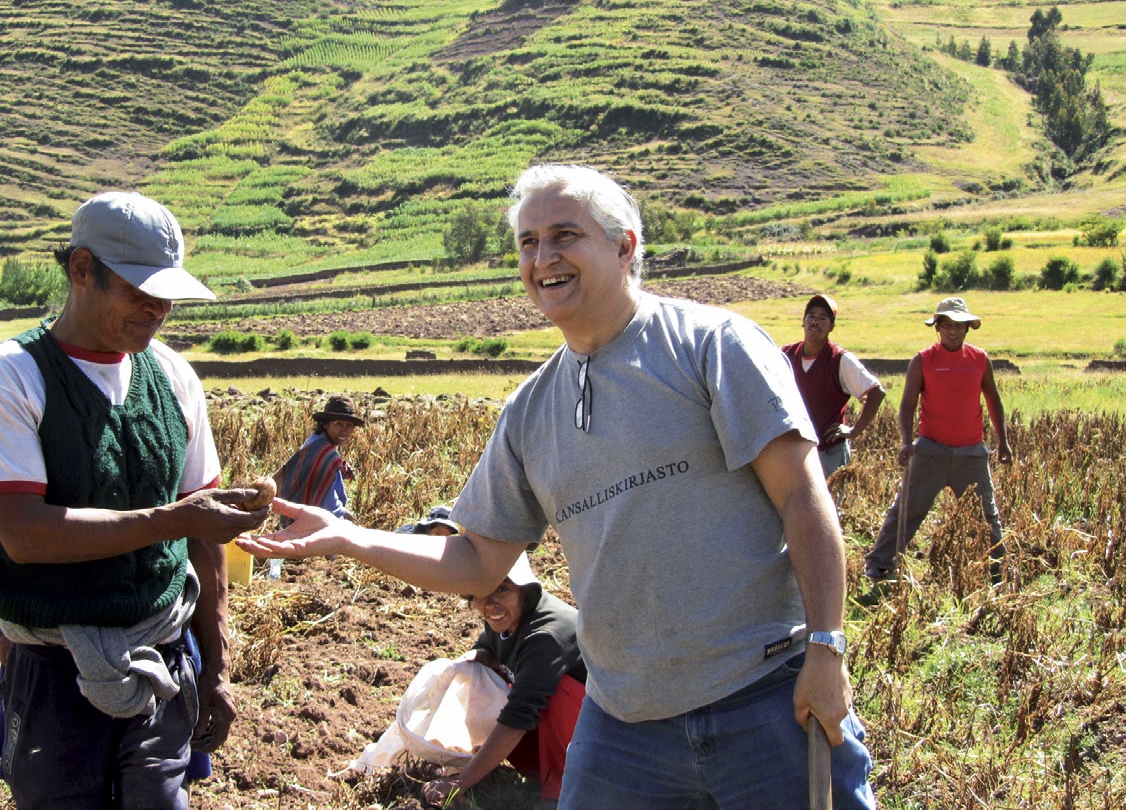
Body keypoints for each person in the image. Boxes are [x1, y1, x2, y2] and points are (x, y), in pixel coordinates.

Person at [239, 164, 876, 809]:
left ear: (625, 245)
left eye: (565, 235)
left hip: (763, 697)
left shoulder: (710, 345)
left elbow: (802, 496)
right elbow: (477, 559)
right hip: (625, 722)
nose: (544, 257)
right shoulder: (529, 410)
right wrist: (350, 538)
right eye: (528, 242)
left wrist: (827, 649)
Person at [0, 191, 269, 809]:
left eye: (168, 293)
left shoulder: (174, 377)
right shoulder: (18, 377)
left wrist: (218, 667)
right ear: (81, 269)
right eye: (140, 290)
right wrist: (171, 518)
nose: (160, 310)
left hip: (162, 659)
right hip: (54, 671)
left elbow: (202, 539)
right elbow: (24, 533)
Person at [864, 296, 1013, 584]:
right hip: (930, 450)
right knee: (907, 509)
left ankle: (998, 572)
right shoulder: (923, 361)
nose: (951, 330)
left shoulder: (980, 360)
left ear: (968, 328)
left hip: (971, 453)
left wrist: (1003, 440)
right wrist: (907, 442)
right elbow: (907, 405)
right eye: (945, 325)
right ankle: (880, 566)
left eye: (958, 325)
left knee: (986, 515)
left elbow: (993, 400)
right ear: (938, 328)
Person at [420, 553, 586, 808]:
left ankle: (564, 787)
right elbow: (485, 648)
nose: (490, 604)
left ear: (524, 589)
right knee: (486, 673)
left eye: (502, 589)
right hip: (555, 734)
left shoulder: (545, 636)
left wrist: (460, 783)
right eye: (479, 594)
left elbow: (519, 715)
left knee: (553, 690)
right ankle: (540, 773)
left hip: (594, 740)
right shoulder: (505, 619)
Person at [781, 294, 886, 478]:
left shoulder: (840, 360)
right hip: (795, 451)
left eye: (823, 318)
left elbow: (877, 392)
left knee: (829, 506)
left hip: (828, 453)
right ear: (803, 321)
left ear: (831, 326)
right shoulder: (785, 355)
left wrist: (854, 431)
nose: (816, 321)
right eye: (811, 315)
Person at [274, 394, 365, 523]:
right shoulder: (324, 453)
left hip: (297, 518)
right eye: (339, 424)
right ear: (325, 424)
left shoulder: (315, 442)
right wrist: (343, 516)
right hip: (314, 523)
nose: (344, 431)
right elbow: (328, 505)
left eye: (349, 426)